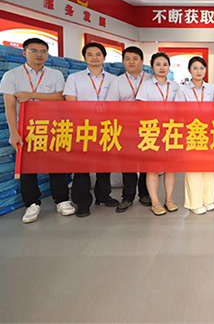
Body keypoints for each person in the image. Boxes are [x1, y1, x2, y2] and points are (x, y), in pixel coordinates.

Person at [0, 38, 74, 223]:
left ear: (48, 55)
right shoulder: (12, 75)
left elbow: (60, 98)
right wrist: (13, 132)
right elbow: (10, 106)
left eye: (43, 51)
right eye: (34, 51)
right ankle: (32, 204)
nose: (39, 55)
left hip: (52, 126)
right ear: (24, 53)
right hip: (25, 128)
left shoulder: (55, 75)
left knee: (56, 165)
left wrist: (31, 95)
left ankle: (62, 200)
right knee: (27, 168)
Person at [64, 42, 117, 217]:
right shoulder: (74, 78)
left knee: (104, 165)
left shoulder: (113, 79)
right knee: (82, 166)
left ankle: (103, 196)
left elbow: (117, 104)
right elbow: (70, 103)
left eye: (98, 54)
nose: (94, 57)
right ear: (84, 57)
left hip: (106, 127)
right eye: (90, 54)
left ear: (104, 57)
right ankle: (82, 202)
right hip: (83, 127)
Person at [105, 46, 152, 212]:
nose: (131, 62)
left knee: (147, 162)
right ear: (123, 61)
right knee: (128, 163)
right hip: (126, 127)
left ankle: (145, 194)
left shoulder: (151, 79)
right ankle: (128, 196)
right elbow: (111, 106)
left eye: (135, 58)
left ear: (142, 61)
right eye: (127, 59)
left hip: (148, 127)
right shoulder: (117, 82)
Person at [135, 52, 181, 216]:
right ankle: (155, 202)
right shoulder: (146, 86)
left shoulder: (175, 85)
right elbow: (141, 108)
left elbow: (180, 108)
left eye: (165, 64)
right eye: (158, 64)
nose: (162, 68)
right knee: (152, 168)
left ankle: (169, 199)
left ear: (169, 67)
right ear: (152, 67)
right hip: (152, 130)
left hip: (171, 129)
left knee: (170, 167)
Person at [175, 56, 214, 215]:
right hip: (191, 131)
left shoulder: (212, 88)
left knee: (209, 168)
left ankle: (208, 200)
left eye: (201, 68)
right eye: (195, 68)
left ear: (206, 70)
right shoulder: (183, 89)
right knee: (193, 169)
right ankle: (194, 203)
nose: (199, 71)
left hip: (209, 132)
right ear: (189, 70)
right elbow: (179, 111)